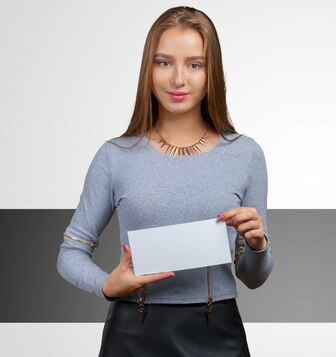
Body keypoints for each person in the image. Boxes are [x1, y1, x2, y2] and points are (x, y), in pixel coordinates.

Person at [56, 6, 273, 356]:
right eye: (164, 62)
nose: (178, 79)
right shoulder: (114, 156)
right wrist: (107, 285)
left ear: (212, 72)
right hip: (133, 333)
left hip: (217, 331)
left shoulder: (245, 154)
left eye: (194, 64)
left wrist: (258, 244)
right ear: (148, 68)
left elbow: (253, 276)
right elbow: (71, 253)